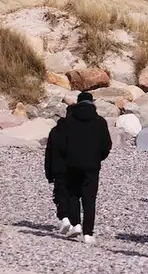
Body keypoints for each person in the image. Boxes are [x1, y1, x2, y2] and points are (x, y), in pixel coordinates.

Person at [43, 90, 112, 243]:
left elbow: (60, 145)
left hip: (72, 165)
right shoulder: (100, 122)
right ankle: (88, 234)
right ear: (92, 103)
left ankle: (76, 224)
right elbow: (106, 146)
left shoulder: (68, 122)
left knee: (73, 195)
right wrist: (97, 159)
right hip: (92, 167)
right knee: (89, 199)